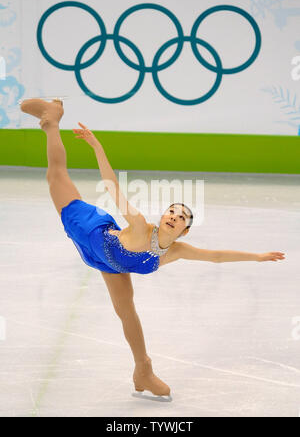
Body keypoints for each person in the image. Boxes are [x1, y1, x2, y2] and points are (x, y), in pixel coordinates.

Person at [20, 98, 285, 402]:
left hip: (110, 265)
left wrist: (258, 256)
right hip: (91, 231)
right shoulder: (139, 226)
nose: (174, 216)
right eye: (171, 212)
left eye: (181, 216)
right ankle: (51, 119)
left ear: (184, 230)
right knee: (56, 175)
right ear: (162, 218)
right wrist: (96, 147)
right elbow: (111, 186)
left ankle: (143, 369)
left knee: (127, 312)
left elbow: (215, 256)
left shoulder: (177, 251)